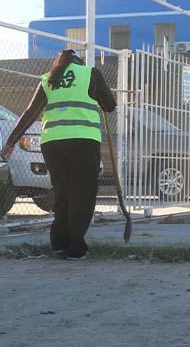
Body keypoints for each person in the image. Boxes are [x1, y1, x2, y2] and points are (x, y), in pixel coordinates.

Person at [1, 49, 116, 260]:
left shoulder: (48, 79)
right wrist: (99, 95)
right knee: (82, 193)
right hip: (83, 141)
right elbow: (110, 106)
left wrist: (11, 142)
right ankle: (76, 248)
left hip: (52, 143)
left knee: (62, 193)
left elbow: (30, 112)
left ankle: (59, 245)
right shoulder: (90, 73)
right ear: (78, 62)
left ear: (58, 63)